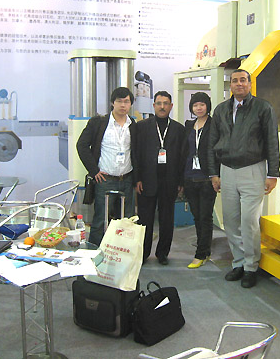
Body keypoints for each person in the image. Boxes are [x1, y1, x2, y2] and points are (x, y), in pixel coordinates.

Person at [208, 69, 280, 289]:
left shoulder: (263, 108)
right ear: (230, 85)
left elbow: (272, 141)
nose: (239, 84)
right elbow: (212, 143)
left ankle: (251, 266)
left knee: (249, 221)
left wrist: (273, 173)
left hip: (253, 170)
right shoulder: (221, 110)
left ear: (249, 84)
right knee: (230, 221)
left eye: (243, 80)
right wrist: (214, 173)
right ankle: (238, 262)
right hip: (227, 171)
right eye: (235, 81)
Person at [76, 87, 136, 246]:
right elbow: (82, 145)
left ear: (130, 104)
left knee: (127, 221)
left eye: (126, 101)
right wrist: (94, 170)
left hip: (127, 179)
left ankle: (122, 253)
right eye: (119, 101)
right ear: (112, 103)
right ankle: (95, 252)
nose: (123, 105)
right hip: (105, 180)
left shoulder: (133, 124)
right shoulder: (99, 123)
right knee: (100, 221)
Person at [134, 91, 185, 265]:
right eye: (159, 103)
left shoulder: (179, 129)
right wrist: (137, 179)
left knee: (166, 220)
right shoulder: (142, 127)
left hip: (170, 181)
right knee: (144, 220)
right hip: (146, 180)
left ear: (171, 106)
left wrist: (180, 182)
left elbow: (183, 157)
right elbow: (136, 154)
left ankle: (163, 253)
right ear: (153, 105)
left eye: (165, 103)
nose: (162, 107)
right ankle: (143, 253)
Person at [181, 92, 217, 269]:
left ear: (207, 106)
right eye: (195, 105)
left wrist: (216, 174)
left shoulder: (214, 125)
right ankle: (205, 250)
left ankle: (200, 254)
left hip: (207, 178)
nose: (199, 108)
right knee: (196, 216)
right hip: (189, 177)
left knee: (205, 217)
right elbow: (184, 151)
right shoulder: (189, 125)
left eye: (202, 104)